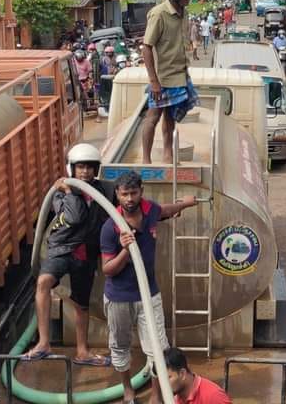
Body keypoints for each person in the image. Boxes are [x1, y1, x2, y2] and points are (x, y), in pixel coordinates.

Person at [101, 172, 198, 404]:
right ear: (117, 195)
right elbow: (108, 270)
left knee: (159, 349)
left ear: (141, 192)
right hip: (119, 298)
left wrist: (185, 203)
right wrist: (125, 250)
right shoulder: (110, 227)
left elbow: (164, 211)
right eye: (124, 194)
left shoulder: (151, 211)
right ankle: (127, 389)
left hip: (149, 295)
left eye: (134, 193)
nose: (129, 198)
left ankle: (156, 396)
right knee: (120, 346)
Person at [24, 144, 113, 365]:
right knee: (43, 282)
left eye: (90, 167)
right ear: (71, 168)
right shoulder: (60, 192)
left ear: (96, 169)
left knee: (81, 304)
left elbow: (128, 202)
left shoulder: (105, 191)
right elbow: (74, 218)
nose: (85, 172)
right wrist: (69, 191)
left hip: (87, 253)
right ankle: (44, 343)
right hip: (62, 247)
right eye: (80, 167)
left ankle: (82, 351)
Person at [142, 0, 202, 165]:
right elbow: (147, 48)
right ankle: (146, 160)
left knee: (170, 118)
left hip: (179, 75)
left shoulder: (184, 13)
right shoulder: (159, 14)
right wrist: (154, 82)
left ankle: (168, 156)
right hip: (163, 78)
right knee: (153, 116)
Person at [164, 346, 232, 404]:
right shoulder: (174, 397)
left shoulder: (213, 396)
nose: (163, 383)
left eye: (168, 378)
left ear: (182, 374)